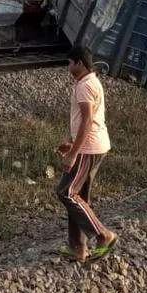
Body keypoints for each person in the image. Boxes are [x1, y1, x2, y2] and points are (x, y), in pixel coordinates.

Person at [55, 46, 117, 262]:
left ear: (79, 63)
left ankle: (103, 234)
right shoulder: (89, 82)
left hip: (88, 149)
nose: (68, 66)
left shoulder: (85, 86)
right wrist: (70, 142)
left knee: (66, 193)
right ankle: (78, 248)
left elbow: (88, 121)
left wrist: (74, 152)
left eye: (70, 62)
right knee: (78, 199)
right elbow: (84, 121)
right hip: (94, 146)